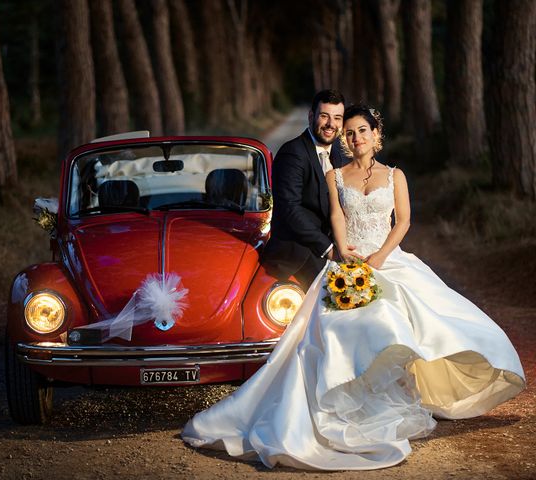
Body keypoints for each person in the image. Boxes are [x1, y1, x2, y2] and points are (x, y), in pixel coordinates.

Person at [181, 104, 525, 471]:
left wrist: (379, 257)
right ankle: (348, 406)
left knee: (414, 322)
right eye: (350, 133)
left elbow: (404, 221)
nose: (355, 137)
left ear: (377, 135)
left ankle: (395, 396)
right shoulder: (335, 175)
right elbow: (336, 217)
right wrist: (343, 254)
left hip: (389, 260)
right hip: (347, 263)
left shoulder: (396, 176)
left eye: (362, 130)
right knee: (338, 329)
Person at [262, 89, 351, 289]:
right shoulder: (292, 154)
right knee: (338, 293)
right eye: (324, 116)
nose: (331, 124)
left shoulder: (340, 153)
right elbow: (290, 209)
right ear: (311, 116)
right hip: (299, 252)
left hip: (337, 245)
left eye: (337, 118)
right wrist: (328, 248)